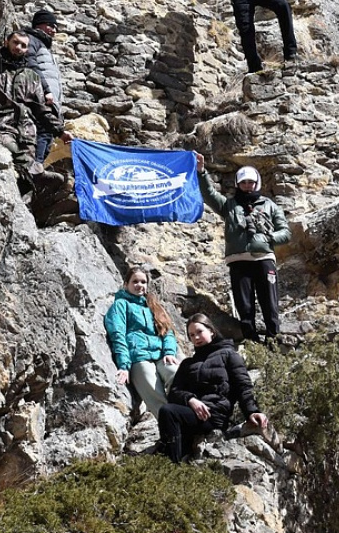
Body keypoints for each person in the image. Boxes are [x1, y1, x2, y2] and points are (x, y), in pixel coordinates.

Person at [196, 153, 291, 342]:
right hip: (238, 260)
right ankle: (252, 341)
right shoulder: (228, 205)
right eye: (244, 182)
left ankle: (273, 339)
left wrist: (269, 237)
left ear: (257, 183)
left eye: (251, 182)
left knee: (269, 302)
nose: (248, 185)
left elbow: (285, 233)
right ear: (238, 183)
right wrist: (201, 172)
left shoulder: (269, 205)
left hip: (263, 259)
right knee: (244, 304)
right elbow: (209, 194)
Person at [158, 313, 267, 463]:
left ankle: (172, 468)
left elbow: (244, 387)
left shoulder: (229, 355)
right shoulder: (187, 364)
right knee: (167, 417)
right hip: (192, 413)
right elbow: (174, 393)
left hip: (214, 416)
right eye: (191, 335)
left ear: (211, 331)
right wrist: (190, 400)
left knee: (168, 412)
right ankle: (170, 467)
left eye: (199, 332)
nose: (196, 337)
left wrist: (252, 411)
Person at [0, 31, 69, 193]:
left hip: (27, 131)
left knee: (25, 179)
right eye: (16, 43)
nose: (19, 47)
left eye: (23, 45)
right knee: (12, 155)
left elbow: (41, 109)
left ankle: (29, 195)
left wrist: (61, 132)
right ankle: (35, 175)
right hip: (1, 123)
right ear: (7, 42)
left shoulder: (32, 76)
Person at [104, 266, 180, 419]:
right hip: (139, 357)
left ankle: (185, 415)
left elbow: (168, 331)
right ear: (126, 284)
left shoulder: (153, 306)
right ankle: (172, 427)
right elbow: (118, 334)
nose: (140, 285)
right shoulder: (120, 305)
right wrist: (124, 366)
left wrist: (170, 351)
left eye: (143, 282)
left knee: (176, 374)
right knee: (154, 391)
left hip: (161, 354)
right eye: (135, 281)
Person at [24, 9, 64, 165]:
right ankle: (35, 169)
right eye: (51, 26)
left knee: (47, 137)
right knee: (42, 132)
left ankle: (37, 169)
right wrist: (46, 90)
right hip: (41, 95)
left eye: (56, 28)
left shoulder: (44, 47)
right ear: (39, 24)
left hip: (50, 99)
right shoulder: (31, 39)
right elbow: (31, 64)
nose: (54, 31)